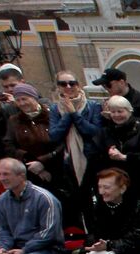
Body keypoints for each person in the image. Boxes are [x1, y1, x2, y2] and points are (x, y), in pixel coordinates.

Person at [48, 70, 104, 220]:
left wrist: (75, 114)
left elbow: (93, 131)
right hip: (68, 161)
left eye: (72, 83)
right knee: (79, 200)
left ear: (78, 86)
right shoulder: (55, 109)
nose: (68, 87)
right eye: (63, 84)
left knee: (98, 198)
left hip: (91, 159)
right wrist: (68, 114)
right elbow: (54, 135)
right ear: (58, 87)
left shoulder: (92, 106)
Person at [93, 95, 140, 206]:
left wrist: (126, 157)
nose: (117, 115)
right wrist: (108, 155)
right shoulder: (104, 133)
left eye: (120, 111)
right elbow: (95, 158)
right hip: (113, 186)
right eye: (113, 112)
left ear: (129, 111)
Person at [3, 85, 59, 192]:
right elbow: (9, 145)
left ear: (34, 98)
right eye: (18, 100)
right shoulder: (14, 121)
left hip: (56, 169)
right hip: (29, 172)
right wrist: (30, 162)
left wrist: (42, 162)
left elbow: (62, 143)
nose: (22, 103)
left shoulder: (52, 116)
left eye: (24, 99)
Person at [91, 67, 140, 133]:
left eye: (108, 85)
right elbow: (105, 132)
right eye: (103, 86)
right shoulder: (108, 103)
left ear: (121, 82)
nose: (106, 89)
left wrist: (125, 118)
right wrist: (107, 118)